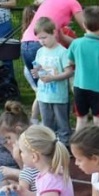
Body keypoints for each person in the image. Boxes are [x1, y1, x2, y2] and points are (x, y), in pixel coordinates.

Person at [21, 0, 86, 87]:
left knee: (42, 88)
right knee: (55, 86)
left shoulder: (49, 1)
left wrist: (79, 44)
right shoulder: (72, 1)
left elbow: (61, 37)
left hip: (25, 45)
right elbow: (87, 27)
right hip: (41, 44)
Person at [68, 7, 99, 131]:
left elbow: (70, 61)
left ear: (84, 25)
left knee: (81, 118)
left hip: (79, 86)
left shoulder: (76, 43)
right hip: (98, 88)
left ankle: (77, 147)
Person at [32, 18, 73, 147]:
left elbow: (69, 72)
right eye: (39, 38)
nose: (41, 41)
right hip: (43, 95)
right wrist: (36, 72)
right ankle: (49, 145)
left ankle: (65, 145)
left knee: (62, 122)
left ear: (53, 33)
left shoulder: (62, 52)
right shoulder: (40, 51)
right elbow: (38, 67)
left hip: (59, 95)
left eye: (44, 37)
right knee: (46, 122)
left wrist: (53, 78)